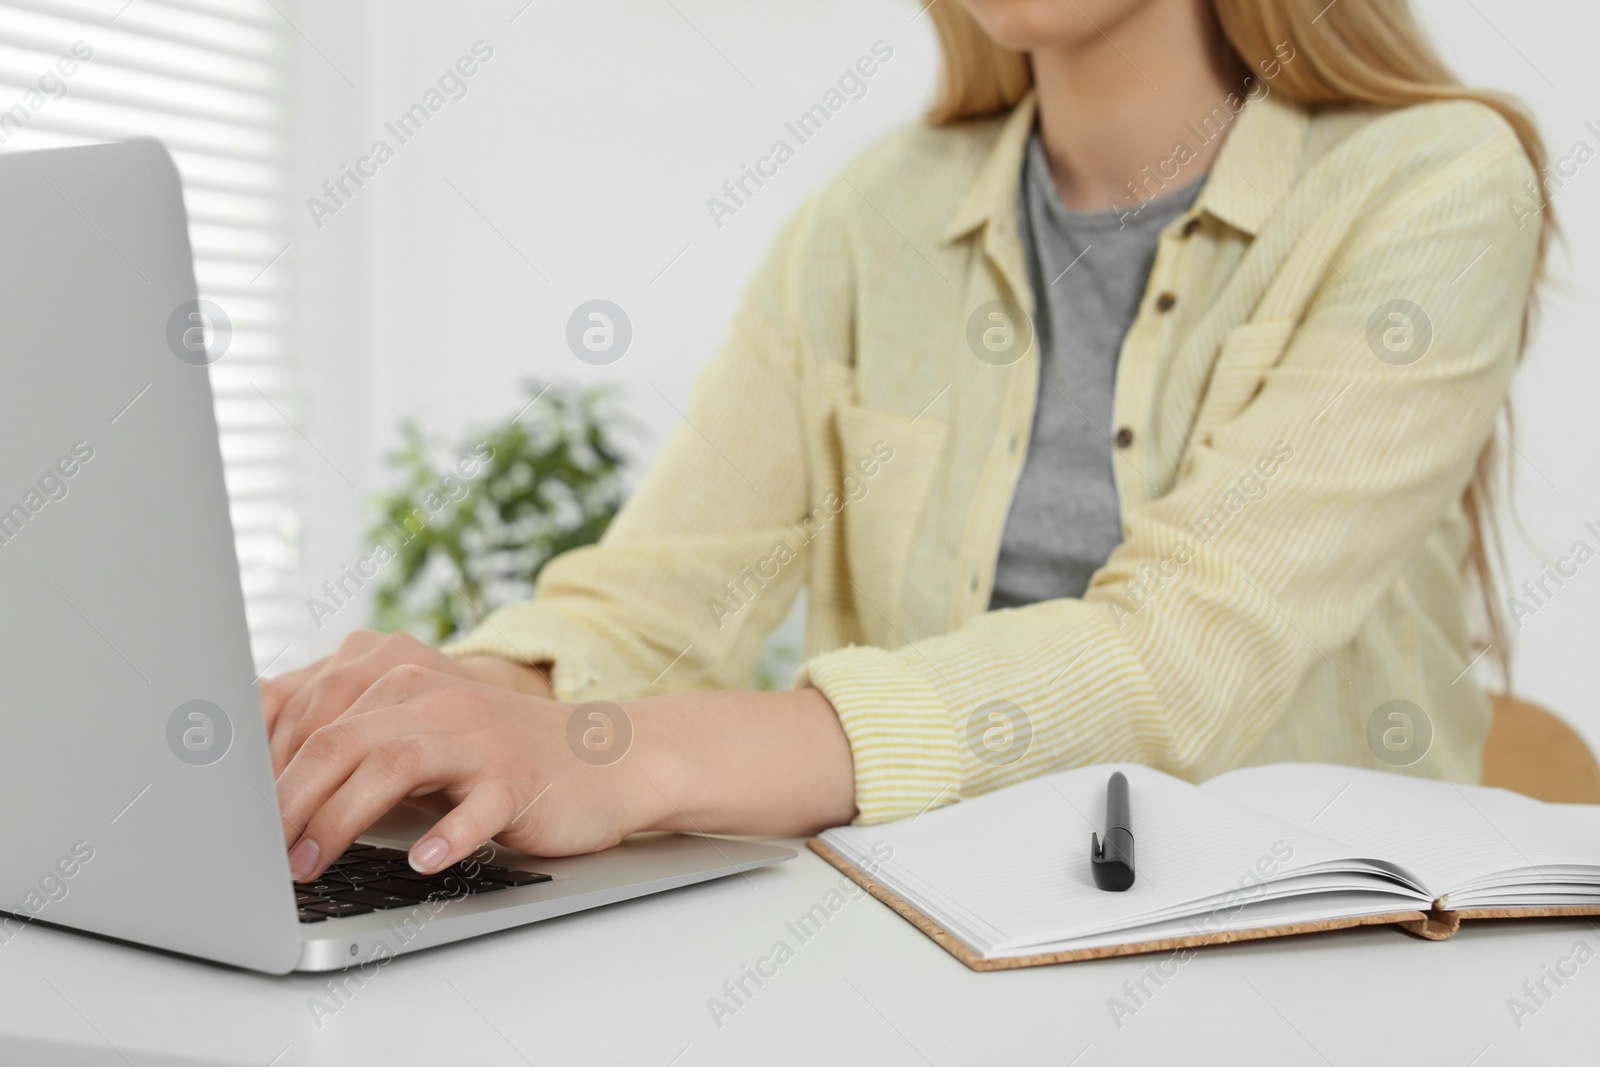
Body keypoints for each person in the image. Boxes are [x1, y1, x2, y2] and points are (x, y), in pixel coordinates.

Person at [264, 0, 1552, 886]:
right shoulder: (868, 221)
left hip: (1314, 965)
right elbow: (660, 601)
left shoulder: (1432, 183)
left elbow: (1185, 653)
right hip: (920, 941)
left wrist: (629, 760)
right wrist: (448, 712)